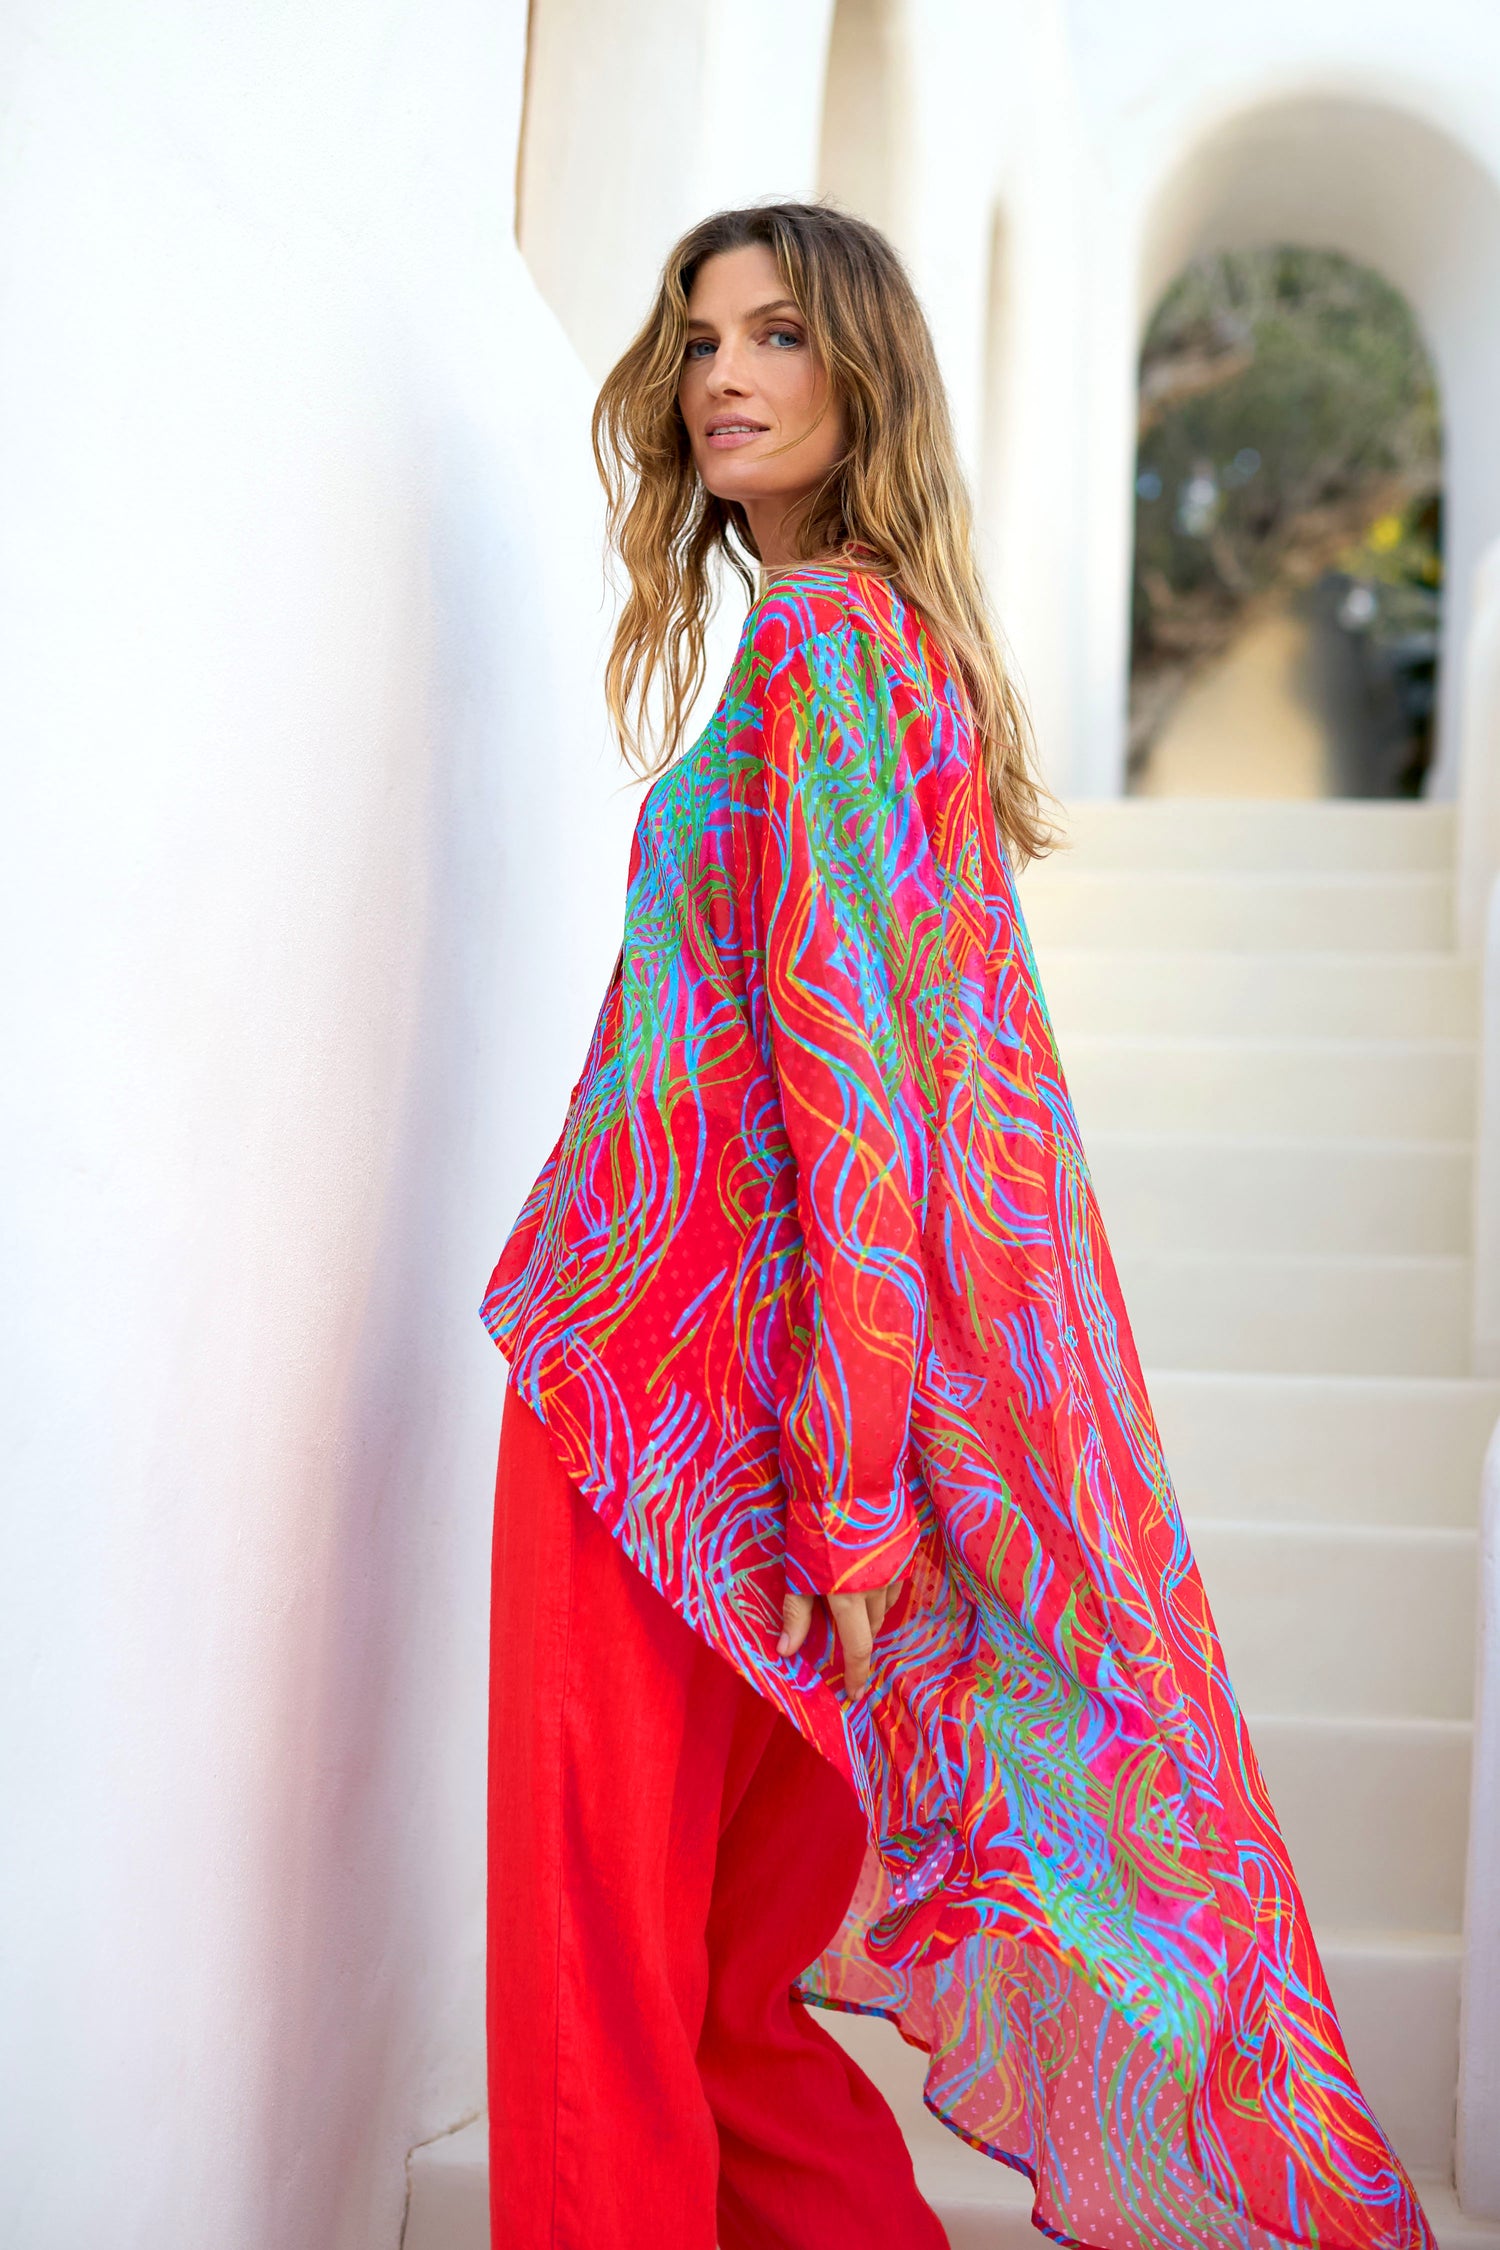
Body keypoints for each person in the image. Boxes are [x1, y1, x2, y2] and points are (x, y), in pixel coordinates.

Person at [481, 202, 1432, 2250]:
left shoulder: (827, 648)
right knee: (732, 2004)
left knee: (608, 1995)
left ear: (868, 379)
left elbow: (853, 1100)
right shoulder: (901, 651)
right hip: (776, 1416)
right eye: (699, 335)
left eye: (780, 338)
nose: (726, 375)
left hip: (656, 1394)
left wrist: (845, 1496)